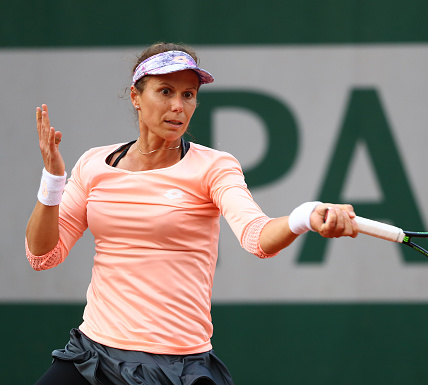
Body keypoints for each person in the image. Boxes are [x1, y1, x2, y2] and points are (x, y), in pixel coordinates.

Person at [26, 42, 359, 385]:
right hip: (93, 356)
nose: (177, 106)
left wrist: (303, 216)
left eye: (188, 95)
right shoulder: (93, 164)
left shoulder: (214, 167)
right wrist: (53, 181)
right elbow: (43, 255)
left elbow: (257, 238)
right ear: (135, 96)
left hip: (176, 365)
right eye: (165, 91)